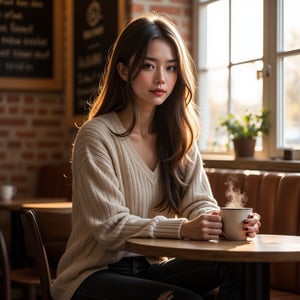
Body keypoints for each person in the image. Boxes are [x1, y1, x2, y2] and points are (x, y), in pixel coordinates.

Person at [51, 13, 261, 300]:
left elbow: (198, 203)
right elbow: (110, 227)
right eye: (149, 65)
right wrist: (184, 230)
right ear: (124, 71)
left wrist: (221, 223)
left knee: (247, 264)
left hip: (152, 268)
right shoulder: (96, 136)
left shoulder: (178, 136)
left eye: (171, 68)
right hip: (93, 276)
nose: (161, 78)